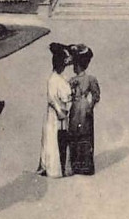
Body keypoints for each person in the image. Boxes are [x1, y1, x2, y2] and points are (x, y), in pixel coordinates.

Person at [37, 43, 72, 178]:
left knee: (63, 138)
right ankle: (53, 169)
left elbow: (67, 95)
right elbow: (51, 99)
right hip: (54, 113)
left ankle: (64, 167)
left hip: (63, 112)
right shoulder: (52, 79)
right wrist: (59, 111)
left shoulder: (62, 78)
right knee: (53, 139)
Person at [67, 44, 101, 176]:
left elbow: (96, 95)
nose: (74, 68)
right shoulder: (71, 80)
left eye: (75, 65)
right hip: (74, 108)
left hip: (83, 107)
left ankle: (85, 166)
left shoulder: (90, 79)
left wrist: (90, 107)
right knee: (74, 133)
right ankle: (75, 165)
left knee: (85, 134)